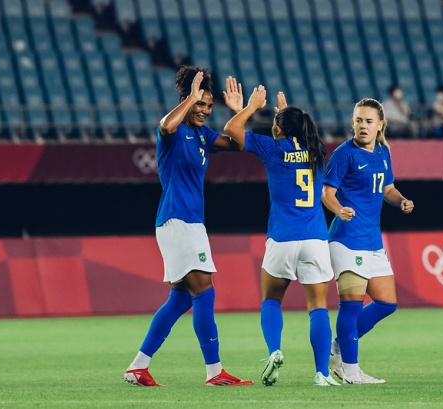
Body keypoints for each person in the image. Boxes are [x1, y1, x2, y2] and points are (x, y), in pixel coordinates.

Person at [124, 66, 253, 387]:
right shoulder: (173, 131)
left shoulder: (202, 135)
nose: (205, 110)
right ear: (187, 100)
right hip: (177, 219)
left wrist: (241, 112)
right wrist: (190, 99)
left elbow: (236, 143)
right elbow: (165, 125)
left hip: (191, 222)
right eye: (200, 104)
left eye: (209, 106)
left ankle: (138, 367)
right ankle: (214, 371)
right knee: (204, 292)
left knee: (181, 299)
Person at [223, 86, 340, 387]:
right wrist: (286, 116)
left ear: (277, 129)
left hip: (283, 238)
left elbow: (232, 130)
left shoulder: (273, 150)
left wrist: (249, 108)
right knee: (318, 308)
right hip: (315, 239)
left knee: (271, 300)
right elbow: (297, 136)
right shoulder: (318, 151)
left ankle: (275, 350)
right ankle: (322, 374)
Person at [322, 98, 414, 384]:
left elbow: (387, 188)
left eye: (369, 121)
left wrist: (401, 201)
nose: (363, 126)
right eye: (358, 120)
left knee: (387, 303)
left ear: (380, 125)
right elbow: (327, 193)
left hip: (372, 240)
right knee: (350, 304)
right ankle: (351, 371)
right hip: (347, 239)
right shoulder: (343, 154)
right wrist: (339, 210)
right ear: (352, 123)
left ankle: (338, 345)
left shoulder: (383, 153)